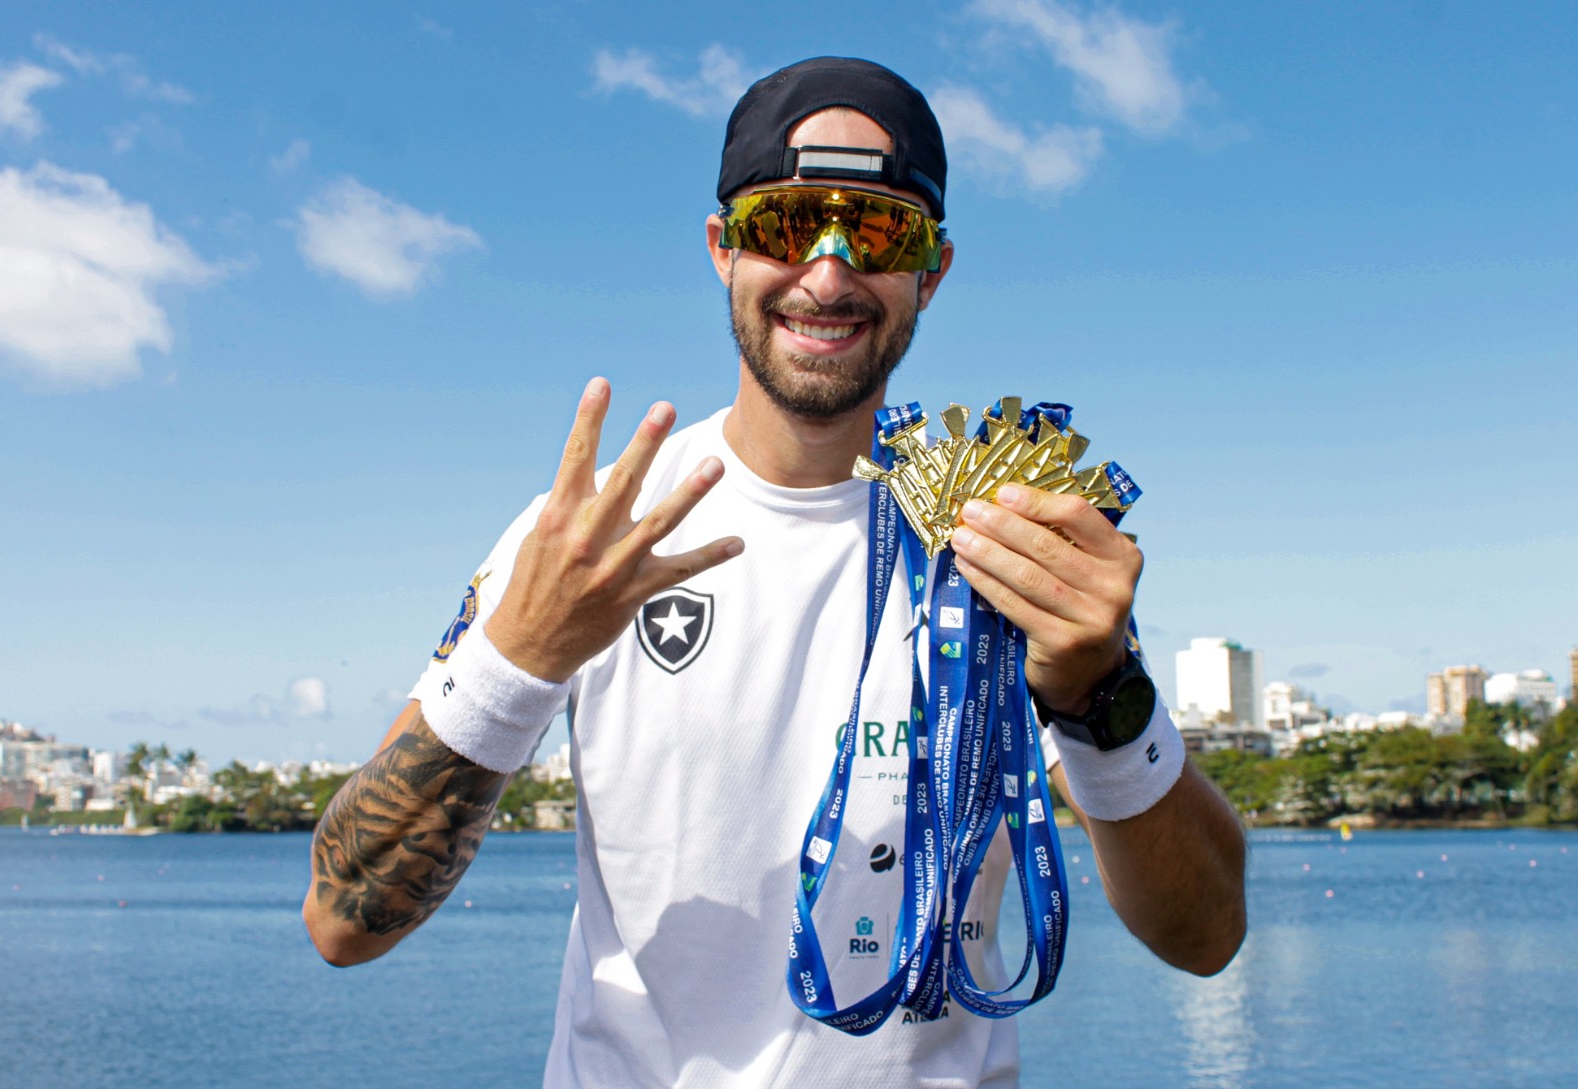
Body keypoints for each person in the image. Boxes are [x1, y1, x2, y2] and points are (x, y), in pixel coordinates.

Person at [303, 56, 1246, 1088]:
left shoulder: (1005, 543)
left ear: (931, 271)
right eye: (785, 226)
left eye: (877, 232)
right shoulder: (586, 533)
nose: (829, 274)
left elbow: (1203, 938)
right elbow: (343, 923)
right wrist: (517, 658)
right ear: (721, 249)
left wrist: (1100, 688)